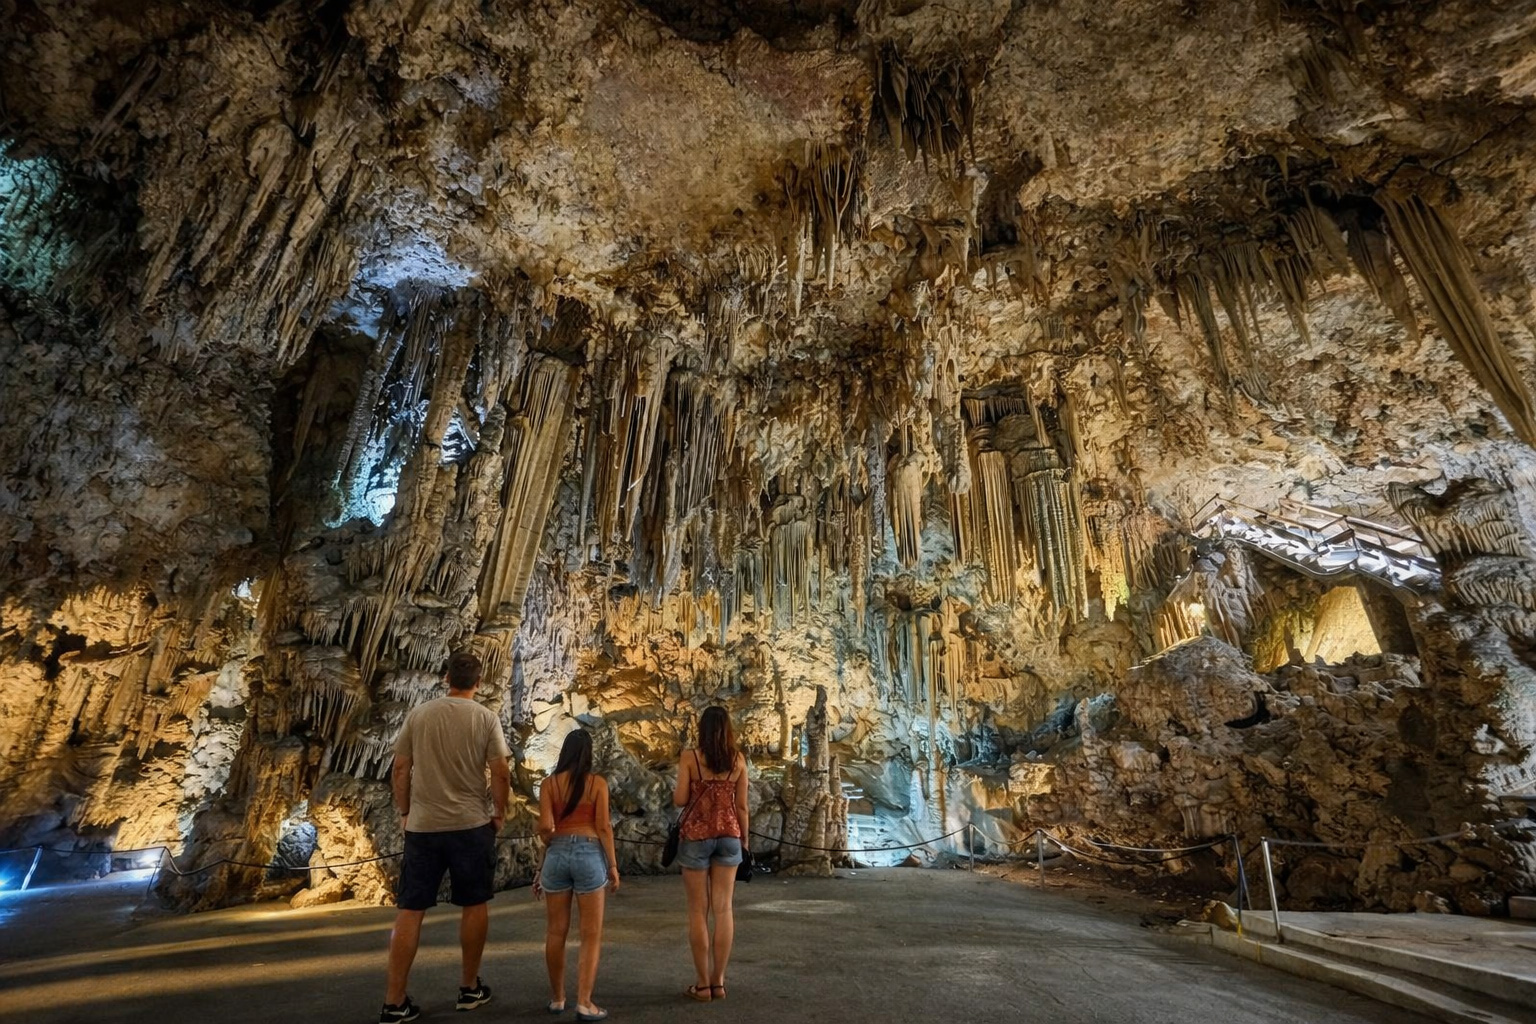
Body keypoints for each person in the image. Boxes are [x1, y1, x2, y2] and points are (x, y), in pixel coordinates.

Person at [381, 650, 512, 1024]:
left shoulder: (420, 715)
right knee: (474, 903)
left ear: (446, 679)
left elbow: (400, 768)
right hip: (471, 824)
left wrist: (405, 811)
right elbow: (500, 771)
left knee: (410, 909)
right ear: (479, 683)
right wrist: (499, 811)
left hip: (423, 826)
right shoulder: (485, 717)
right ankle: (469, 988)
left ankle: (394, 1001)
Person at [535, 728, 619, 1022]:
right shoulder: (597, 784)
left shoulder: (549, 785)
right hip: (589, 854)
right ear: (588, 755)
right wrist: (612, 866)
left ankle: (558, 998)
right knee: (590, 934)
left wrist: (541, 866)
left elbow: (545, 828)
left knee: (555, 931)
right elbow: (604, 827)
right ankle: (584, 1002)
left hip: (556, 855)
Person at [672, 705, 749, 1003]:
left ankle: (702, 985)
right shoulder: (738, 760)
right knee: (724, 909)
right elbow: (742, 806)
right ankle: (719, 982)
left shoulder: (690, 757)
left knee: (697, 911)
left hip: (696, 836)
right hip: (729, 836)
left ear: (702, 729)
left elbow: (680, 799)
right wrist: (745, 841)